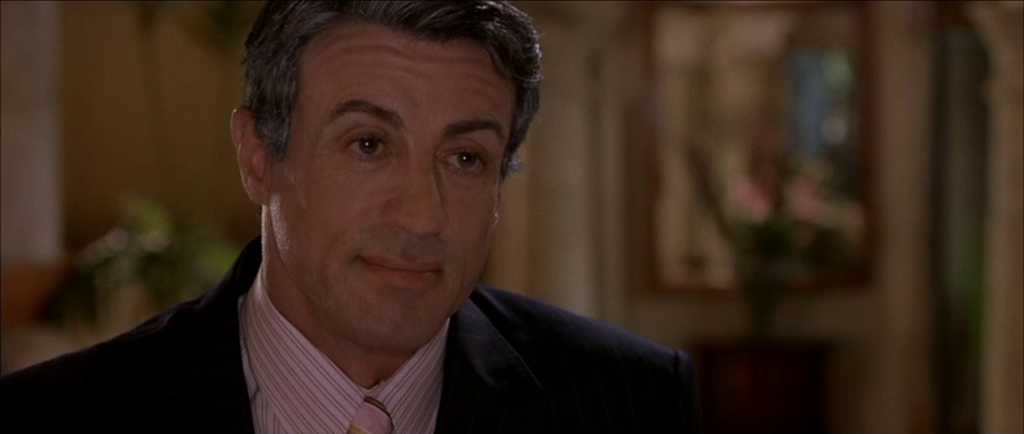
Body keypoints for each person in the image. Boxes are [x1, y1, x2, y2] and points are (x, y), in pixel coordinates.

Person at [2, 2, 701, 432]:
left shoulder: (633, 403)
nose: (422, 215)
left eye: (465, 158)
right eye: (369, 145)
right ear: (258, 157)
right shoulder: (56, 416)